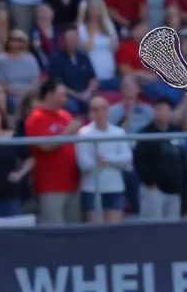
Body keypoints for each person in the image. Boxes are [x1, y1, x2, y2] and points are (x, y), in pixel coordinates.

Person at [24, 78, 82, 224]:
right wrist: (68, 130)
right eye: (61, 94)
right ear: (49, 95)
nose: (65, 97)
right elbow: (45, 146)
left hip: (72, 184)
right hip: (50, 186)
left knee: (74, 232)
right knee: (55, 233)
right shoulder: (36, 118)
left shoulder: (66, 115)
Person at [76, 95, 132, 223]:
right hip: (91, 189)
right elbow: (83, 163)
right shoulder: (83, 133)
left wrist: (106, 160)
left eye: (104, 108)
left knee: (114, 232)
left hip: (115, 188)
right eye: (96, 109)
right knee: (95, 232)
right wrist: (109, 162)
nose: (100, 112)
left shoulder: (119, 133)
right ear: (91, 112)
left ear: (108, 110)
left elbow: (127, 159)